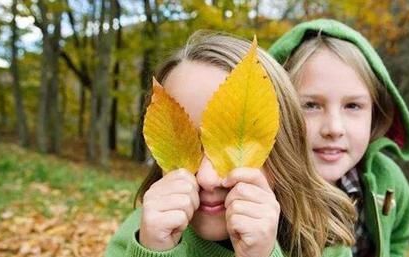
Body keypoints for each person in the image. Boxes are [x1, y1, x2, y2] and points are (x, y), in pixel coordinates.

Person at [105, 31, 356, 257]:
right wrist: (153, 252)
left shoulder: (326, 245)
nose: (207, 178)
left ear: (285, 151)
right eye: (186, 144)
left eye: (231, 145)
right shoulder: (138, 236)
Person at [269, 19, 409, 257]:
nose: (334, 128)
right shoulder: (264, 192)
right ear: (275, 109)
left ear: (376, 112)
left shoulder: (389, 180)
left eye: (352, 105)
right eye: (310, 105)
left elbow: (398, 238)